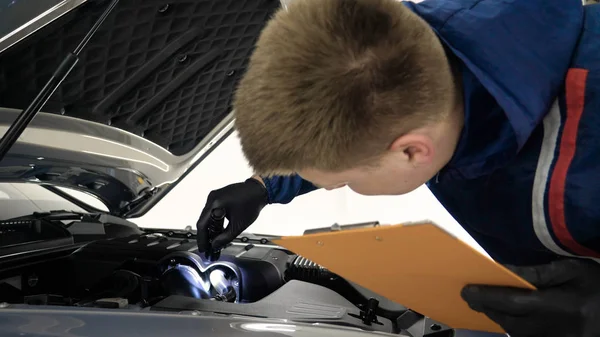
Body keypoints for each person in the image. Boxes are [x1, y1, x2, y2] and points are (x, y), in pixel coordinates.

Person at [196, 0, 600, 335]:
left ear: (411, 152)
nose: (339, 187)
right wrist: (265, 186)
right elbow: (356, 116)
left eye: (348, 181)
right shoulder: (405, 51)